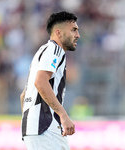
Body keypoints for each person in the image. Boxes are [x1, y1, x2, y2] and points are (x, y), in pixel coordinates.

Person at [20, 11, 80, 150]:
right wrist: (63, 115)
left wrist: (30, 123)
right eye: (73, 30)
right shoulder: (54, 50)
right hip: (46, 127)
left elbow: (24, 95)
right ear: (58, 33)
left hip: (35, 128)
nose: (78, 35)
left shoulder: (41, 53)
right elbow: (40, 82)